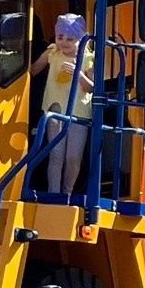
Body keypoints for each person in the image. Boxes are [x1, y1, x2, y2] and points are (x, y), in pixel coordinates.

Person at [38, 13, 98, 196]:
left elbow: (91, 88)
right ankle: (54, 194)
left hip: (78, 113)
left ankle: (67, 192)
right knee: (56, 154)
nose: (64, 42)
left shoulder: (89, 58)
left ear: (80, 39)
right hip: (55, 109)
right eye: (60, 37)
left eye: (70, 39)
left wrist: (78, 74)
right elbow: (33, 70)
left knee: (73, 157)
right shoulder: (52, 52)